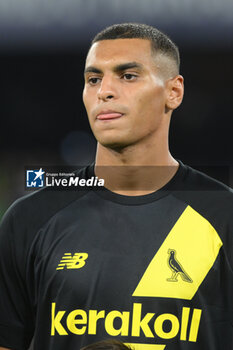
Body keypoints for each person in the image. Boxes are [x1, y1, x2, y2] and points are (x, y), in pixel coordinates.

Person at [0, 22, 232, 350]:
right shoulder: (30, 218)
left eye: (127, 75)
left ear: (173, 92)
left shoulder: (223, 216)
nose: (104, 91)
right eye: (93, 79)